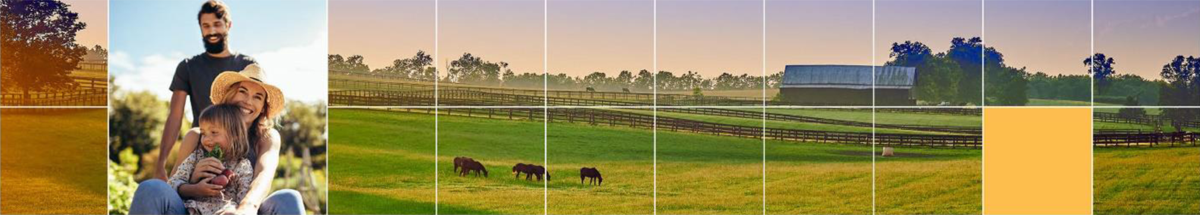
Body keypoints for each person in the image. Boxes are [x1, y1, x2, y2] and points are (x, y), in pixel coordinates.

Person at [131, 65, 302, 215]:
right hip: (192, 209)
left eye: (258, 97)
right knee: (151, 187)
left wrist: (246, 207)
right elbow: (173, 186)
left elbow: (264, 176)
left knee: (289, 198)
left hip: (236, 209)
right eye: (242, 91)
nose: (248, 101)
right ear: (229, 95)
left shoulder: (266, 137)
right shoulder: (197, 136)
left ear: (263, 108)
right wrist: (193, 182)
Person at [155, 0, 257, 181]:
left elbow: (257, 108)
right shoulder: (188, 67)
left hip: (241, 151)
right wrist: (161, 162)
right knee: (178, 195)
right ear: (200, 28)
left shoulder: (247, 65)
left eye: (217, 24)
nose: (211, 31)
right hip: (202, 149)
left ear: (228, 25)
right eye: (206, 25)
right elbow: (175, 116)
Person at [168, 104, 254, 215]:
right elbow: (172, 184)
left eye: (214, 132)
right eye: (203, 133)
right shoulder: (196, 157)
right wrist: (194, 187)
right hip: (191, 210)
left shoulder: (242, 165)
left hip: (223, 210)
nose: (207, 139)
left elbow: (244, 197)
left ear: (235, 134)